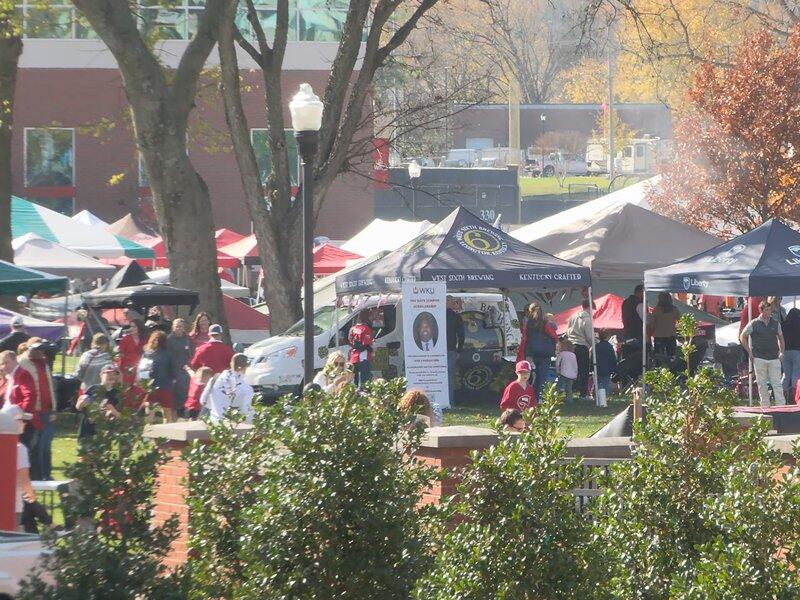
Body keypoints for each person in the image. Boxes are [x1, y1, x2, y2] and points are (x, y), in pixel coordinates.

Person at [18, 339, 56, 480]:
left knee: (46, 445)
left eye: (43, 349)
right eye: (39, 349)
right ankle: (35, 475)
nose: (42, 351)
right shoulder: (20, 363)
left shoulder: (44, 363)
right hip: (30, 413)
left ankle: (46, 474)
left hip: (46, 411)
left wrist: (53, 407)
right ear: (30, 349)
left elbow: (49, 386)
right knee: (34, 446)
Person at [740, 300, 786, 407]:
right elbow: (742, 336)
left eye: (770, 309)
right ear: (760, 310)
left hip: (774, 357)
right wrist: (749, 352)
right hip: (759, 357)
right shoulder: (754, 323)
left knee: (777, 384)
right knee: (762, 384)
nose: (769, 312)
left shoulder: (775, 323)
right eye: (766, 310)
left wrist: (781, 352)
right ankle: (765, 407)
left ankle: (781, 407)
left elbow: (781, 338)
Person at [1, 403, 36, 531]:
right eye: (22, 420)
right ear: (14, 422)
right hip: (12, 506)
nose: (25, 424)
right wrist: (31, 494)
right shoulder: (19, 449)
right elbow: (24, 478)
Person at [1, 350, 40, 466]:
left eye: (6, 363)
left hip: (21, 422)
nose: (3, 366)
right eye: (1, 364)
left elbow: (30, 395)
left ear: (14, 361)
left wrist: (20, 416)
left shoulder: (22, 374)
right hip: (8, 421)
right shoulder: (9, 378)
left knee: (20, 454)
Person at [518, 302, 556, 401]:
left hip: (532, 353)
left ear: (530, 311)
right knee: (542, 377)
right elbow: (553, 336)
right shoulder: (545, 323)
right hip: (545, 354)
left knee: (530, 377)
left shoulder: (528, 323)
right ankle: (538, 397)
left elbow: (525, 338)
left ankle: (529, 396)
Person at [75, 364, 122, 441]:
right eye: (108, 373)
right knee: (85, 451)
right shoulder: (93, 389)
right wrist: (80, 403)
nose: (111, 376)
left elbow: (120, 416)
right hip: (87, 429)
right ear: (101, 375)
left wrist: (112, 410)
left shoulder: (117, 393)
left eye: (114, 374)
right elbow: (79, 407)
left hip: (104, 431)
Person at [202, 353, 254, 423]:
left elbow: (203, 401)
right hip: (234, 426)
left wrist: (217, 407)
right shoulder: (247, 388)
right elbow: (245, 411)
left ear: (231, 363)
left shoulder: (214, 380)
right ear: (245, 367)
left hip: (215, 422)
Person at [140, 330, 176, 422]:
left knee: (155, 411)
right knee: (164, 412)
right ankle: (165, 434)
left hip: (155, 386)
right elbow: (173, 371)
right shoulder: (168, 354)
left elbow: (142, 371)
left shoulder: (147, 353)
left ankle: (149, 434)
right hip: (161, 386)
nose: (156, 341)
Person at [566, 299, 593, 401]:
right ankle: (583, 394)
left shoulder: (572, 317)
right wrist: (592, 345)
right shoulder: (587, 319)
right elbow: (589, 336)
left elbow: (567, 331)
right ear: (589, 307)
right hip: (582, 346)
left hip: (571, 346)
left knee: (570, 370)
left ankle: (569, 392)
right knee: (583, 371)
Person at [167, 318, 194, 415]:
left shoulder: (187, 339)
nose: (179, 328)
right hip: (173, 371)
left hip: (185, 372)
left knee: (185, 394)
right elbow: (167, 357)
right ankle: (173, 416)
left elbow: (192, 353)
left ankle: (183, 414)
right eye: (177, 326)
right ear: (173, 328)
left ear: (184, 328)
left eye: (181, 326)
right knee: (174, 396)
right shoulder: (169, 339)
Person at [446, 296, 465, 405]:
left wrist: (458, 350)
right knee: (449, 376)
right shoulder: (457, 317)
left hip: (443, 350)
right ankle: (450, 401)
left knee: (442, 376)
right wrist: (459, 350)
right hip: (451, 349)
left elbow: (461, 336)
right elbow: (461, 336)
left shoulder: (437, 315)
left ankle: (448, 401)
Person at [117, 318, 146, 389]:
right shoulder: (125, 339)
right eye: (131, 327)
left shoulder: (144, 340)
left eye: (134, 327)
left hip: (139, 370)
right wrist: (119, 371)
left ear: (139, 327)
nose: (132, 328)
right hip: (127, 370)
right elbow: (120, 355)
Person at [649, 292, 680, 357]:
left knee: (659, 357)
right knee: (671, 357)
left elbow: (651, 324)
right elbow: (681, 320)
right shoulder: (674, 310)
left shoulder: (656, 310)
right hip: (671, 336)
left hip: (658, 336)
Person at [348, 311, 374, 387]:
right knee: (365, 383)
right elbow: (366, 345)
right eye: (370, 316)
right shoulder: (365, 329)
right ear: (366, 317)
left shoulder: (352, 329)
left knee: (354, 381)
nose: (371, 318)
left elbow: (350, 341)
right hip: (363, 358)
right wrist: (371, 349)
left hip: (353, 358)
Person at [595, 330, 617, 407]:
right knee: (605, 383)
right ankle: (604, 397)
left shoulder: (597, 346)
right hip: (607, 367)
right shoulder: (609, 346)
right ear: (608, 337)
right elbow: (612, 357)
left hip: (598, 367)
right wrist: (614, 366)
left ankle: (596, 394)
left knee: (598, 381)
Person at [782, 308, 800, 400]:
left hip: (785, 351)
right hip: (797, 351)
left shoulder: (783, 325)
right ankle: (793, 395)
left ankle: (782, 394)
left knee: (786, 374)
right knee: (796, 374)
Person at [555, 338, 578, 404]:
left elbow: (557, 363)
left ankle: (555, 398)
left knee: (558, 386)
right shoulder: (573, 355)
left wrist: (557, 370)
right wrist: (575, 373)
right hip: (572, 374)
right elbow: (575, 365)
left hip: (563, 373)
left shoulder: (562, 353)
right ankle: (569, 400)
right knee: (569, 388)